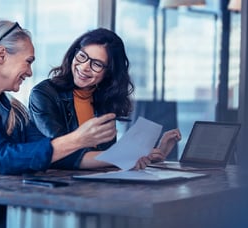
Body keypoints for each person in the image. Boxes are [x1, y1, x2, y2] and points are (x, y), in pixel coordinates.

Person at [0, 20, 118, 228]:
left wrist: (124, 159)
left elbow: (53, 153)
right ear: (1, 55)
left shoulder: (14, 110)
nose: (29, 72)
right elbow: (4, 157)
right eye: (28, 61)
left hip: (4, 218)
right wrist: (78, 138)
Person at [29, 28, 181, 170]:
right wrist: (124, 157)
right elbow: (62, 151)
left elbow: (107, 156)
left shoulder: (105, 99)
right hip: (58, 185)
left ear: (109, 72)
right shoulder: (44, 94)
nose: (84, 67)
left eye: (97, 64)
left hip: (96, 184)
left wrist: (154, 153)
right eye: (82, 56)